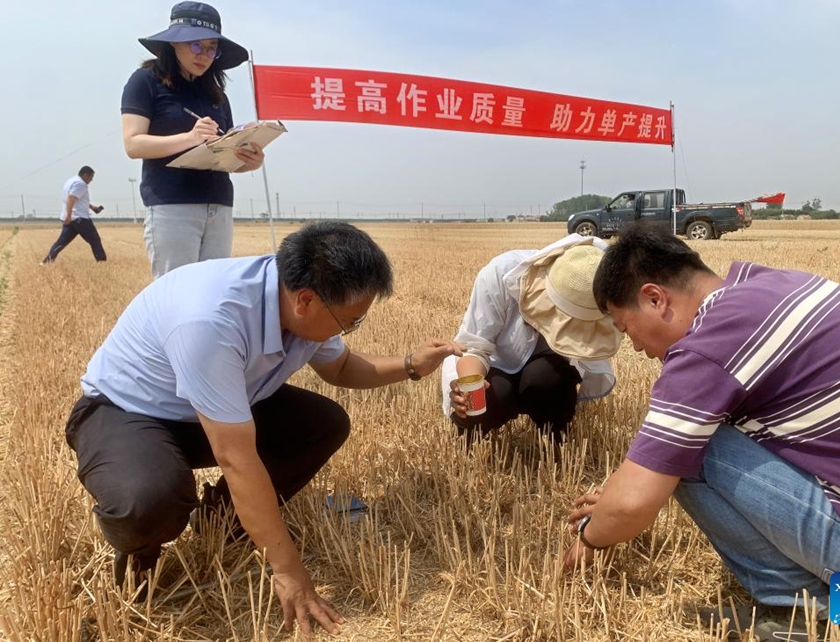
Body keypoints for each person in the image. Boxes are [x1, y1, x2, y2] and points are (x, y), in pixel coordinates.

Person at [63, 221, 463, 635]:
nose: (348, 331)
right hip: (128, 412)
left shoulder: (298, 302)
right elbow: (236, 458)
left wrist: (412, 365)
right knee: (149, 499)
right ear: (306, 300)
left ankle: (220, 522)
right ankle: (140, 558)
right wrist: (288, 569)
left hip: (211, 406)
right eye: (349, 322)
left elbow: (341, 367)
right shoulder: (211, 319)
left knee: (323, 424)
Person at [564, 224, 840, 628]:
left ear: (654, 298)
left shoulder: (707, 345)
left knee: (693, 451)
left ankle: (818, 611)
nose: (635, 346)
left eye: (625, 328)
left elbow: (634, 503)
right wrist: (620, 494)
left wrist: (590, 533)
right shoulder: (773, 285)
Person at [121, 2, 264, 279]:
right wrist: (189, 138)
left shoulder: (216, 94)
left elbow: (224, 156)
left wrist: (249, 161)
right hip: (172, 204)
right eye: (196, 45)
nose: (205, 55)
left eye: (212, 47)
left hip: (219, 204)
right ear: (174, 44)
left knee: (211, 291)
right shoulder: (145, 82)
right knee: (175, 293)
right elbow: (133, 144)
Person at [442, 234, 621, 443]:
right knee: (495, 394)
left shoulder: (585, 286)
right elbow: (474, 347)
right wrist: (469, 387)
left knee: (547, 379)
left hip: (544, 369)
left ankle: (555, 439)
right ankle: (470, 436)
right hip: (494, 366)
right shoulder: (499, 275)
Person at [41, 166, 107, 264]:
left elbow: (76, 199)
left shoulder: (71, 181)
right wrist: (69, 215)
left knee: (61, 242)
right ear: (85, 175)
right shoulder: (81, 184)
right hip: (80, 218)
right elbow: (71, 198)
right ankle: (102, 262)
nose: (91, 180)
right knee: (95, 240)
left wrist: (92, 207)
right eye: (91, 177)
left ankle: (47, 261)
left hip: (71, 218)